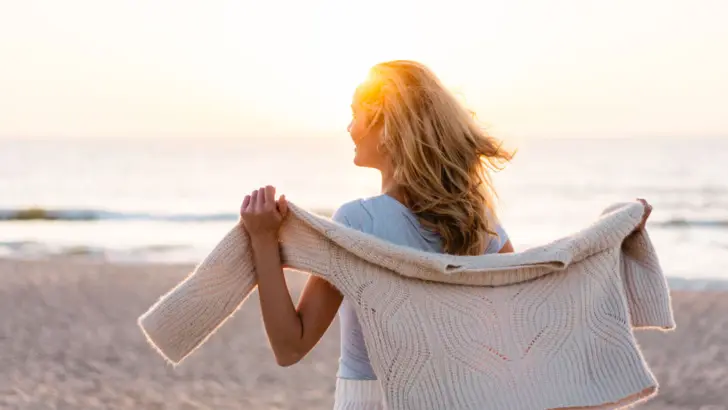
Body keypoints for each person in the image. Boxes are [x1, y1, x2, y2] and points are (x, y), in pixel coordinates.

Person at [239, 60, 652, 407]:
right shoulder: (480, 222)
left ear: (385, 125)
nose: (349, 127)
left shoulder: (357, 223)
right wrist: (609, 238)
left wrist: (261, 239)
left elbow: (290, 346)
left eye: (355, 113)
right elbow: (524, 320)